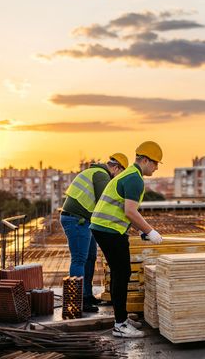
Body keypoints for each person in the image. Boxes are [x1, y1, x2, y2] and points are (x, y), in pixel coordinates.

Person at [90, 141, 164, 338]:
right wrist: (150, 231)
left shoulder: (130, 174)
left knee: (120, 273)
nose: (156, 167)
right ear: (146, 160)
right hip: (108, 230)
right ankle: (120, 324)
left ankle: (121, 318)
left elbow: (123, 210)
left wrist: (141, 230)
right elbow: (130, 211)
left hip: (105, 228)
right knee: (122, 274)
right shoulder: (134, 179)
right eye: (156, 163)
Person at [60, 153, 128, 312]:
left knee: (90, 258)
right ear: (116, 168)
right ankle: (78, 300)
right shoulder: (101, 175)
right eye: (121, 174)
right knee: (79, 259)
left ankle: (87, 295)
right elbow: (104, 203)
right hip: (76, 220)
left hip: (84, 220)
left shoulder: (97, 173)